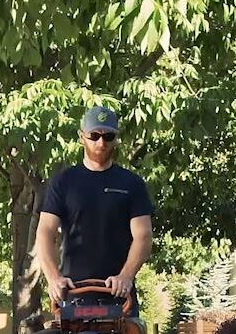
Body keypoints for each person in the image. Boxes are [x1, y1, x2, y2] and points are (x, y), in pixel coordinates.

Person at [35, 106, 154, 313]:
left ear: (115, 139)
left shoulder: (131, 183)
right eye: (94, 135)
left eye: (108, 136)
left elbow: (143, 236)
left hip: (119, 297)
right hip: (73, 296)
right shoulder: (63, 182)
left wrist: (126, 277)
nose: (101, 142)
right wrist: (53, 278)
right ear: (82, 137)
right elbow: (45, 231)